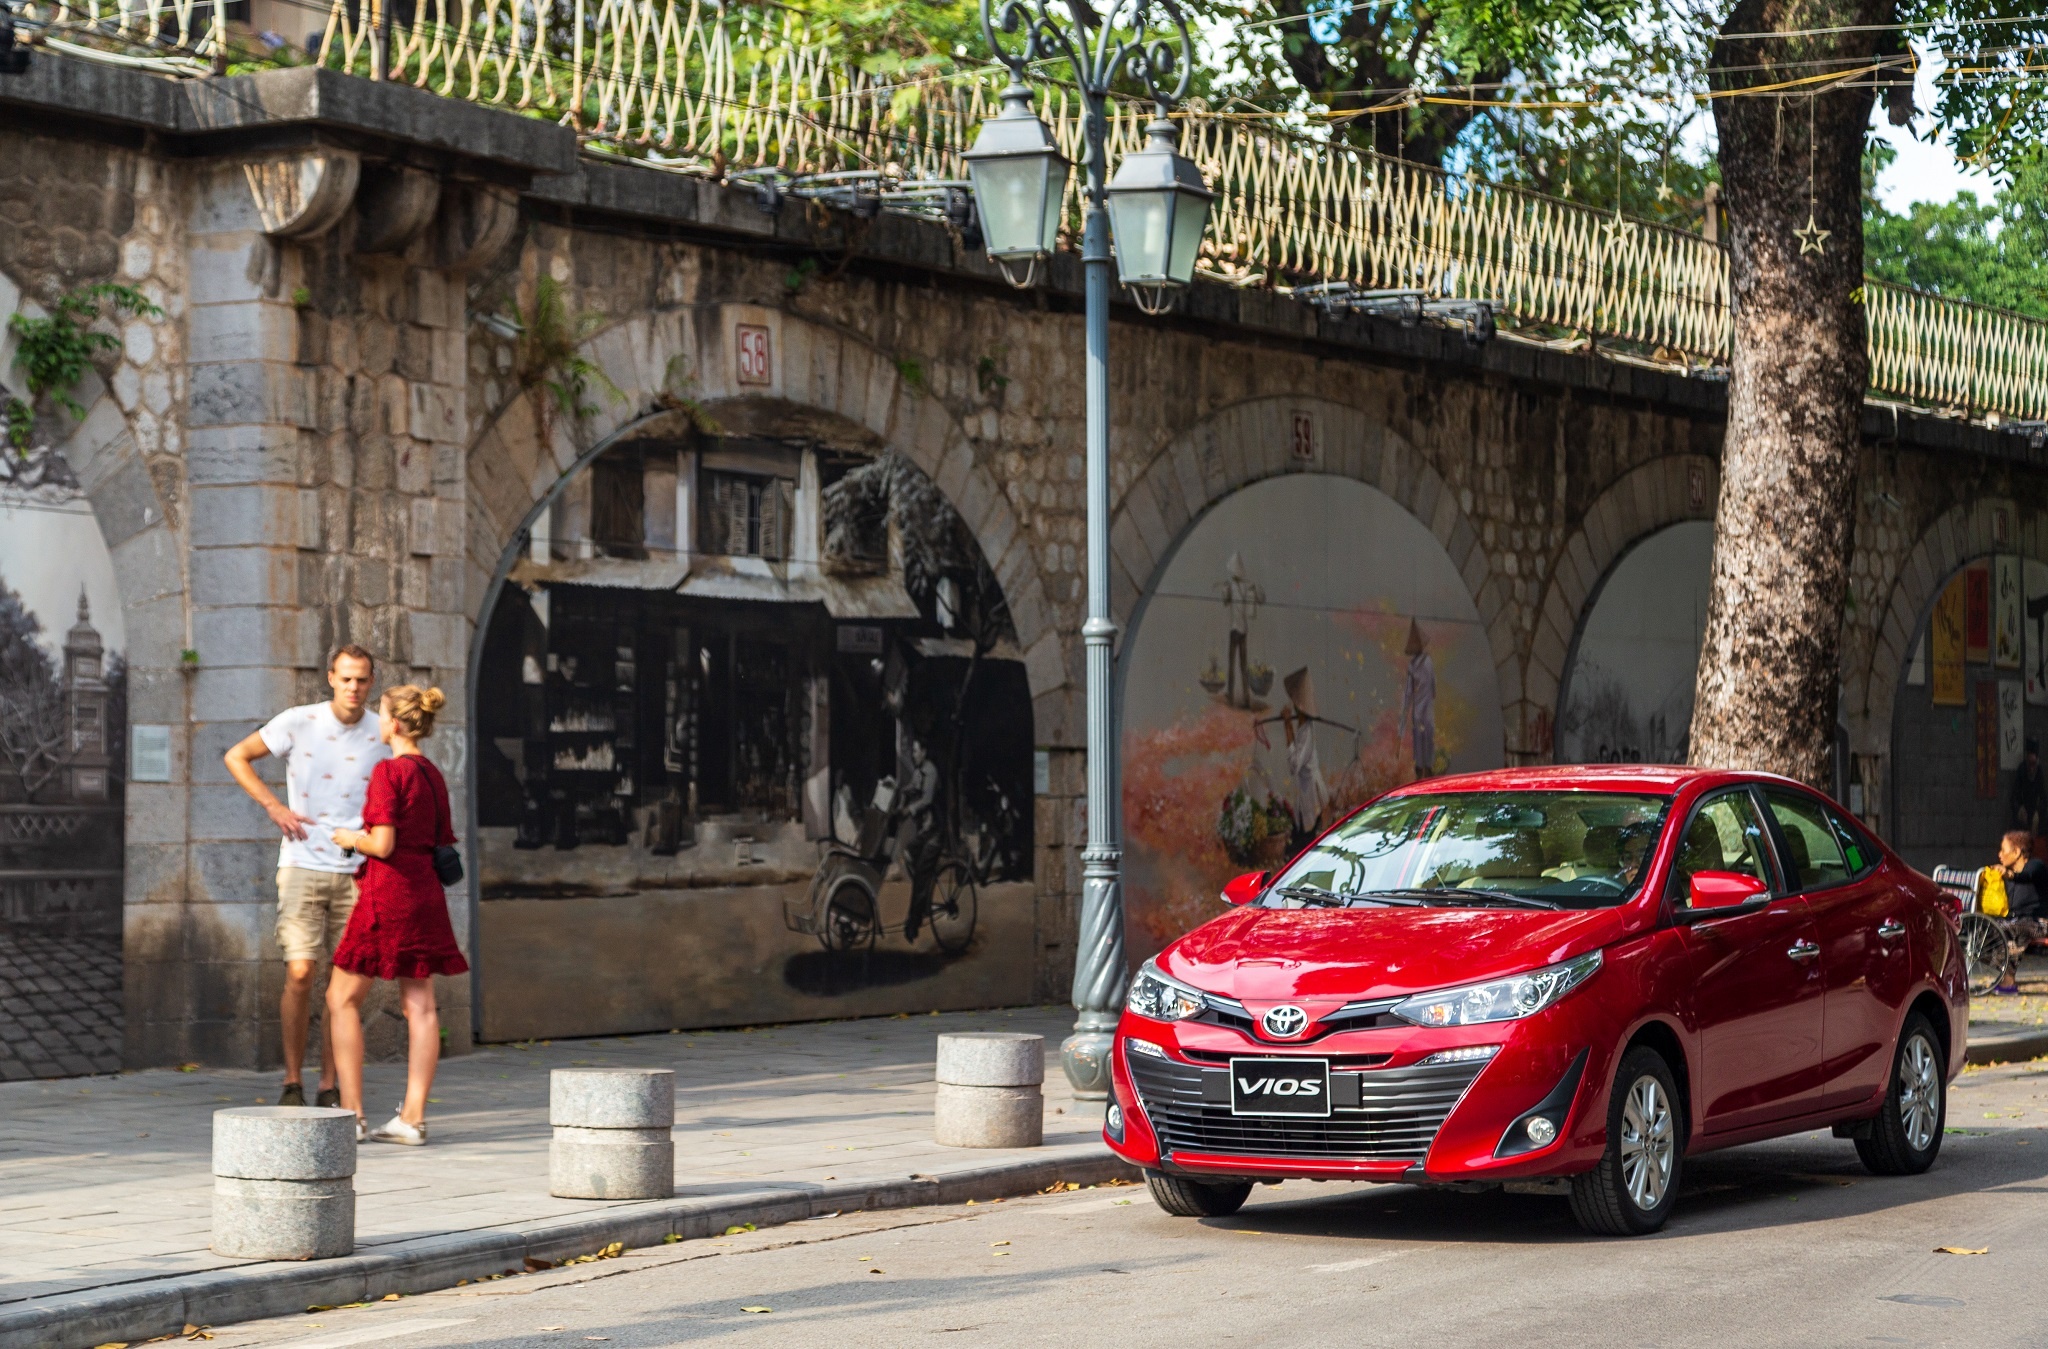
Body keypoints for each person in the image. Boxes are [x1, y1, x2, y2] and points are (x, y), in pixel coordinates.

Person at [223, 645, 387, 1107]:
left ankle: (329, 1084)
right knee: (300, 971)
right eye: (347, 678)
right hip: (301, 864)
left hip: (359, 870)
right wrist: (274, 806)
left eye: (363, 680)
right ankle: (292, 1079)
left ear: (371, 682)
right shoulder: (299, 720)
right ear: (331, 678)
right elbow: (237, 756)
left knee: (343, 986)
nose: (354, 687)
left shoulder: (382, 731)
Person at [326, 686, 469, 1144]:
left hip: (387, 894)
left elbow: (383, 844)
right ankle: (412, 1118)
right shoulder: (431, 773)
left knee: (340, 998)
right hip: (425, 892)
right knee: (421, 1005)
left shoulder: (390, 772)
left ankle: (352, 1114)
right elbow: (439, 836)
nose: (377, 722)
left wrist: (349, 837)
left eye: (381, 714)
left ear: (396, 724)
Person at [898, 736, 942, 943]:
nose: (913, 755)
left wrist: (909, 809)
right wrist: (897, 790)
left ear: (923, 751)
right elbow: (912, 787)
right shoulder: (918, 771)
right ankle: (923, 897)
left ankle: (913, 924)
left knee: (920, 878)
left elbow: (927, 799)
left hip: (934, 832)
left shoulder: (931, 771)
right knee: (907, 855)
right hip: (924, 831)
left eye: (916, 751)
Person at [1993, 829, 2047, 994]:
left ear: (2016, 852)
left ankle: (2008, 982)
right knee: (1992, 927)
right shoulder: (2009, 877)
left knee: (2016, 927)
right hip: (2019, 920)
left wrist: (2010, 875)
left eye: (2004, 850)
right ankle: (2003, 975)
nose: (2000, 855)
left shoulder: (2036, 866)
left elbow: (2027, 875)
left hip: (2040, 922)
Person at [2013, 741, 2047, 836]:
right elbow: (2014, 796)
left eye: (2033, 764)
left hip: (2035, 812)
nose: (2031, 768)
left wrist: (2038, 812)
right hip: (2023, 812)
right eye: (2029, 764)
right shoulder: (2021, 770)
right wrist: (2019, 808)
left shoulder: (2039, 772)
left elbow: (2044, 798)